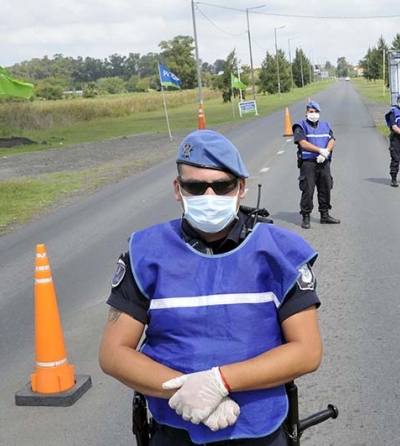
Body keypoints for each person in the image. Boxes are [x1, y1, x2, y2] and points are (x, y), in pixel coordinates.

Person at [99, 129, 323, 446]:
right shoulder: (146, 253)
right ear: (178, 190)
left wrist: (219, 382)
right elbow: (113, 353)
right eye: (195, 186)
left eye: (222, 186)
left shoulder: (280, 253)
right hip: (175, 428)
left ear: (241, 188)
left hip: (261, 430)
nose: (209, 196)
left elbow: (307, 351)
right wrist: (187, 391)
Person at [292, 101, 340, 229]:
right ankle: (306, 216)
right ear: (306, 113)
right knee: (308, 189)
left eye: (315, 112)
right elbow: (302, 143)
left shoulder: (325, 125)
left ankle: (325, 215)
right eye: (311, 112)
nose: (313, 114)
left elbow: (331, 140)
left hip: (323, 161)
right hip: (308, 163)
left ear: (319, 113)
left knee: (326, 187)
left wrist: (326, 153)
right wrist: (319, 150)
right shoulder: (300, 126)